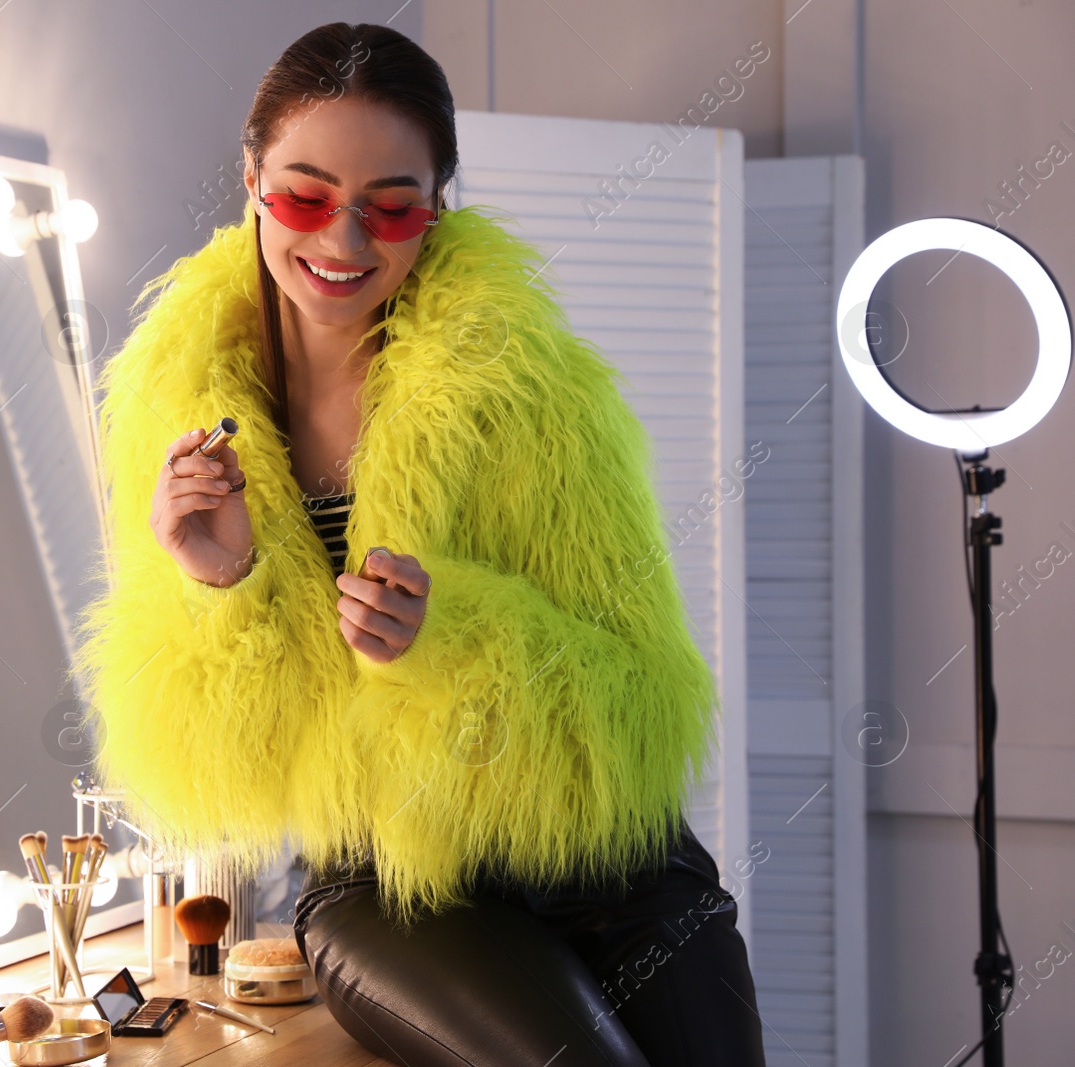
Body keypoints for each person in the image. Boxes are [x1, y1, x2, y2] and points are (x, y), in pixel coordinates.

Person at [70, 22, 767, 1067]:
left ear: (437, 205)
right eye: (305, 196)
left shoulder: (537, 394)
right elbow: (212, 770)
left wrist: (451, 635)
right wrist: (224, 581)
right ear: (251, 178)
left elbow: (648, 698)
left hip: (613, 860)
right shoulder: (175, 413)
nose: (344, 244)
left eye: (390, 207)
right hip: (390, 879)